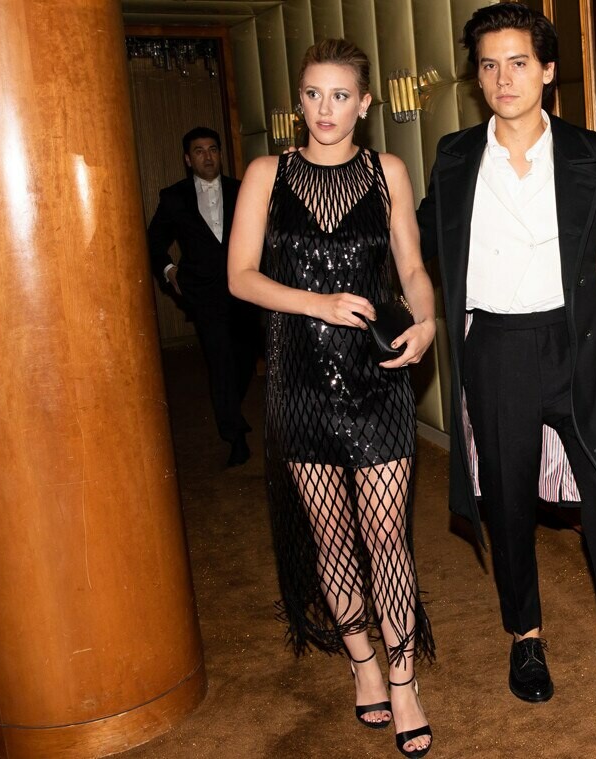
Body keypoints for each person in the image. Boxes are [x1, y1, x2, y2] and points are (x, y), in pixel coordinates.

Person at [417, 4, 596, 752]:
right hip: (496, 348)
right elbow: (415, 240)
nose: (503, 78)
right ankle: (526, 635)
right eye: (489, 65)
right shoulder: (454, 157)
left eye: (518, 62)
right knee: (507, 504)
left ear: (546, 70)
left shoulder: (588, 152)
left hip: (582, 347)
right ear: (477, 78)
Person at [227, 39, 436, 758]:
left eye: (340, 95)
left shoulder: (387, 171)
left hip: (376, 376)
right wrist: (317, 302)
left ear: (365, 104)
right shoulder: (267, 173)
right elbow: (241, 276)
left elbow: (411, 266)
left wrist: (428, 319)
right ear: (299, 101)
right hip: (300, 378)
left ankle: (404, 679)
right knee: (332, 535)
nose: (325, 109)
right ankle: (362, 661)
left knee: (386, 533)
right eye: (313, 94)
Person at [147, 126, 259, 467]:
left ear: (220, 154)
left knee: (244, 358)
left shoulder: (243, 190)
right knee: (220, 362)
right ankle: (234, 436)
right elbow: (153, 242)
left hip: (245, 289)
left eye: (213, 149)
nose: (207, 156)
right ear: (187, 159)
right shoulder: (174, 197)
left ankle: (231, 410)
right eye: (199, 151)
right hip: (203, 293)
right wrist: (169, 271)